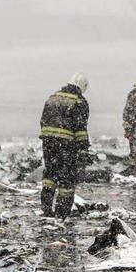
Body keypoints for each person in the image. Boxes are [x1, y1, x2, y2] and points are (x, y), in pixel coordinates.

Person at [38, 73, 91, 218]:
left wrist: (50, 137)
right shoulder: (79, 101)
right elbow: (80, 128)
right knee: (67, 178)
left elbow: (43, 120)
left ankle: (46, 208)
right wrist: (83, 150)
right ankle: (62, 212)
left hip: (48, 143)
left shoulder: (53, 97)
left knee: (50, 173)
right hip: (66, 145)